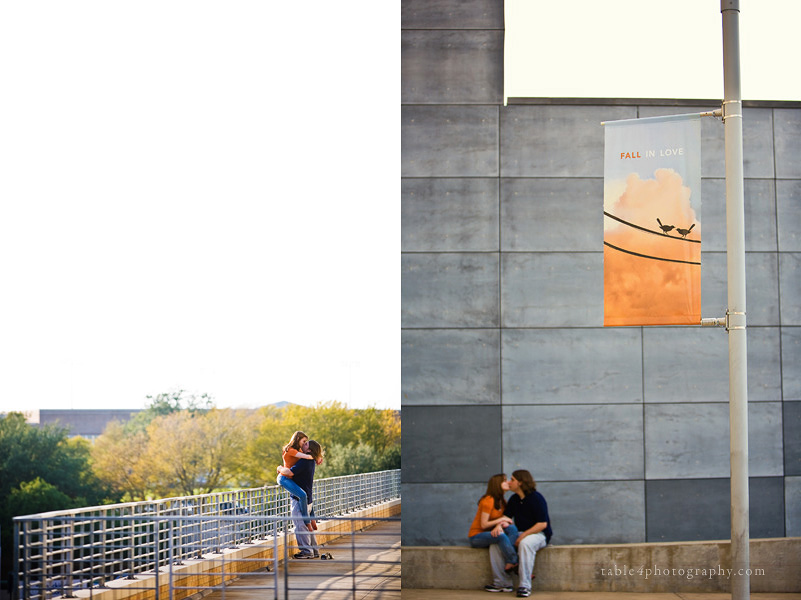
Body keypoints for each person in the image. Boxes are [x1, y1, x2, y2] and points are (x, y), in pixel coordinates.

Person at [487, 470, 552, 597]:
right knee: (495, 543)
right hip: (521, 533)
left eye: (512, 480)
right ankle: (502, 583)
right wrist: (498, 526)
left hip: (539, 534)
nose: (509, 482)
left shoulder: (536, 498)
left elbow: (542, 524)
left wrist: (522, 536)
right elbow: (506, 517)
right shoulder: (514, 499)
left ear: (520, 482)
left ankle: (525, 586)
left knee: (525, 543)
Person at [278, 439, 324, 558]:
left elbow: (289, 473)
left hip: (299, 498)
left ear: (309, 449)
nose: (304, 444)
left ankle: (306, 551)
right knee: (306, 524)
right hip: (308, 497)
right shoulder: (311, 460)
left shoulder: (305, 460)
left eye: (306, 444)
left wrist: (279, 468)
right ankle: (314, 550)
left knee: (300, 524)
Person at [468, 473, 519, 580]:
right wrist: (501, 520)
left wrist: (500, 524)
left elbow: (500, 521)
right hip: (476, 537)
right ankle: (513, 561)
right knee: (501, 536)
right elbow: (484, 524)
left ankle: (510, 561)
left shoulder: (502, 501)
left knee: (512, 529)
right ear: (497, 484)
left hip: (491, 534)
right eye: (505, 480)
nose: (508, 482)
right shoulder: (488, 500)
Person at [276, 431, 314, 524]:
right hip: (284, 477)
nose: (304, 444)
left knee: (307, 495)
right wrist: (314, 456)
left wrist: (318, 458)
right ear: (297, 439)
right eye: (303, 441)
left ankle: (312, 519)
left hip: (291, 477)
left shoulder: (298, 450)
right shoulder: (290, 450)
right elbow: (306, 457)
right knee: (303, 495)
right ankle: (307, 522)